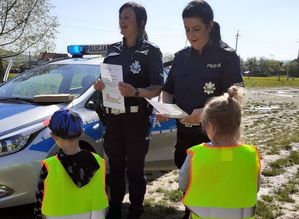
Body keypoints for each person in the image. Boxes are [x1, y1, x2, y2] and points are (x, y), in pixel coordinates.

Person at [157, 1, 244, 218]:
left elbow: (236, 98)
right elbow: (168, 89)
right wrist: (163, 105)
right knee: (188, 177)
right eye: (187, 29)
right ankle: (192, 211)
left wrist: (205, 112)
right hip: (185, 133)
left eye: (196, 29)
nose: (191, 35)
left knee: (213, 181)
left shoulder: (226, 56)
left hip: (217, 137)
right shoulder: (181, 57)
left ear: (210, 26)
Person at [93, 2, 163, 219]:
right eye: (120, 17)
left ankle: (135, 211)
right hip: (113, 119)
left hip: (136, 119)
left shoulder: (151, 51)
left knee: (134, 170)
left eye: (127, 18)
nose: (121, 22)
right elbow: (106, 78)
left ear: (140, 22)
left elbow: (157, 87)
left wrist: (136, 92)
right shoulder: (113, 49)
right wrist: (100, 85)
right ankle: (114, 209)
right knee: (114, 168)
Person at [179, 86, 261, 219]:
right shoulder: (251, 154)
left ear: (210, 126)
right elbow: (255, 188)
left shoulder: (196, 154)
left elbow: (183, 183)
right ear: (238, 124)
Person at [34, 108, 108, 219]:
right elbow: (102, 195)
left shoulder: (49, 166)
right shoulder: (99, 162)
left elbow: (40, 197)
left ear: (53, 136)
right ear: (82, 132)